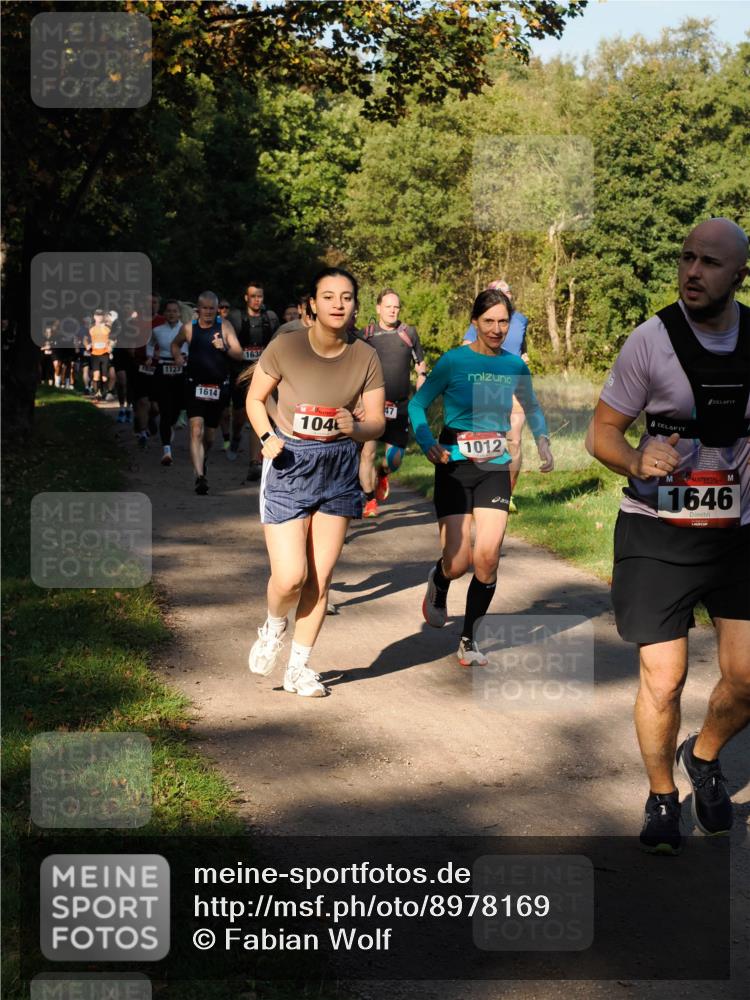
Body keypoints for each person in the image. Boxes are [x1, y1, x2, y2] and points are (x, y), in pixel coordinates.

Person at [586, 217, 750, 855]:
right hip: (659, 532)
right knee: (665, 678)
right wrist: (634, 460)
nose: (692, 272)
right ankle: (661, 794)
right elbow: (601, 432)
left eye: (710, 263)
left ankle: (703, 756)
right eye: (686, 258)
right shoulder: (650, 342)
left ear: (738, 275)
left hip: (739, 533)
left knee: (746, 678)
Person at [244, 267, 385, 697]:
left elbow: (376, 421)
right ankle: (272, 627)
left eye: (346, 297)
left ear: (355, 305)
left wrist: (353, 428)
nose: (338, 304)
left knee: (319, 579)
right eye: (329, 296)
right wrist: (267, 437)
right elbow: (255, 398)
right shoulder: (286, 347)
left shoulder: (366, 356)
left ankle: (299, 668)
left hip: (338, 468)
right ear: (313, 304)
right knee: (290, 576)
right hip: (289, 461)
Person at [409, 288, 554, 666]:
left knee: (487, 558)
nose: (495, 328)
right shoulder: (453, 362)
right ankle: (440, 581)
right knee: (458, 563)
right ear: (475, 322)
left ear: (511, 324)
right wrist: (426, 442)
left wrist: (542, 441)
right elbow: (417, 404)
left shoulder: (514, 366)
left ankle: (469, 639)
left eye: (502, 321)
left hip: (494, 464)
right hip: (454, 463)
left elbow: (533, 406)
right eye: (488, 321)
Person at [357, 288, 427, 517]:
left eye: (395, 307)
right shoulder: (365, 335)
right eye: (388, 306)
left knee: (395, 459)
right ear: (378, 308)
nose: (392, 311)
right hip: (371, 405)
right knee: (366, 452)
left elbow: (420, 364)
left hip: (399, 406)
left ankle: (383, 472)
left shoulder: (409, 333)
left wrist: (423, 383)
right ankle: (369, 501)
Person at [464, 280, 529, 512]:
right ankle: (480, 487)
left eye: (508, 292)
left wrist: (523, 359)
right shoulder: (482, 320)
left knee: (515, 440)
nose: (505, 295)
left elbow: (522, 348)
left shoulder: (521, 320)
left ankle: (507, 493)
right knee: (488, 438)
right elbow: (466, 347)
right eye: (499, 292)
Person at [170, 291, 243, 494]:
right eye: (205, 308)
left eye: (212, 308)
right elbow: (175, 344)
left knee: (209, 437)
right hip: (195, 384)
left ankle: (203, 459)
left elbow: (239, 354)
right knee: (196, 428)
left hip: (218, 388)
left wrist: (225, 346)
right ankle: (200, 476)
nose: (209, 312)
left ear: (217, 309)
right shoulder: (189, 328)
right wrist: (177, 356)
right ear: (198, 309)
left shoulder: (224, 327)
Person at [225, 281, 280, 473]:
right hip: (241, 374)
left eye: (260, 296)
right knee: (240, 417)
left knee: (260, 415)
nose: (257, 300)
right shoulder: (236, 318)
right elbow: (228, 344)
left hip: (264, 373)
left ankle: (255, 461)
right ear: (246, 298)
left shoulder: (270, 318)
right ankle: (236, 437)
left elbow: (277, 342)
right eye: (253, 296)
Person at [150, 299, 186, 466]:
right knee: (165, 410)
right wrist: (151, 356)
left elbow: (193, 348)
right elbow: (149, 345)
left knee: (177, 408)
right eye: (168, 311)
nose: (171, 313)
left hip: (181, 371)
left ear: (179, 313)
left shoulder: (186, 330)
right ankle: (166, 451)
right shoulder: (157, 330)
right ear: (164, 313)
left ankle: (171, 424)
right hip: (163, 371)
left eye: (174, 311)